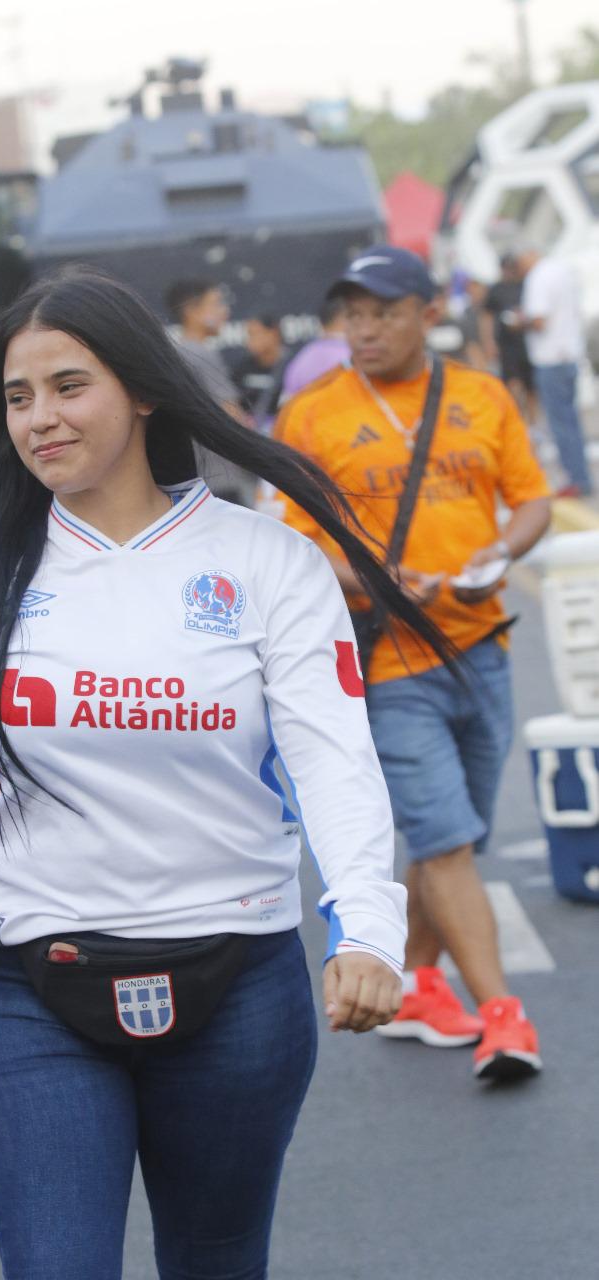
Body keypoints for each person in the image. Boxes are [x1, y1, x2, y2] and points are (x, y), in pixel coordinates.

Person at [0, 267, 454, 1280]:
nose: (39, 418)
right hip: (29, 986)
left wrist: (368, 928)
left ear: (139, 388)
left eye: (67, 385)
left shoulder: (268, 562)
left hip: (241, 991)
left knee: (217, 1263)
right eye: (17, 397)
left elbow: (333, 760)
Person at [276, 245, 551, 1084]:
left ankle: (420, 980)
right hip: (388, 662)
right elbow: (290, 541)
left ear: (426, 313)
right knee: (445, 841)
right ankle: (504, 1017)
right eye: (350, 315)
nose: (361, 330)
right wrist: (373, 582)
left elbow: (532, 501)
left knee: (453, 831)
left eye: (381, 313)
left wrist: (492, 556)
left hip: (479, 645)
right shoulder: (312, 414)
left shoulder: (479, 395)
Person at [166, 277, 255, 504]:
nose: (224, 311)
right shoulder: (201, 354)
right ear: (191, 311)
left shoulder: (178, 353)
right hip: (224, 478)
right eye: (215, 304)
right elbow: (231, 411)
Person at [515, 244, 592, 497]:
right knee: (571, 421)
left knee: (561, 423)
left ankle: (575, 480)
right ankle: (581, 477)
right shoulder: (561, 271)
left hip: (551, 358)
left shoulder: (539, 277)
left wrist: (518, 321)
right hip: (568, 354)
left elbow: (538, 319)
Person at [481, 254, 538, 424]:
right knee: (513, 384)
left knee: (531, 386)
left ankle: (533, 424)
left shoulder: (526, 285)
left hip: (526, 342)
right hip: (507, 344)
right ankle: (516, 419)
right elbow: (487, 317)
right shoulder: (496, 289)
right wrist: (489, 342)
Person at [229, 313, 292, 433]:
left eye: (254, 334)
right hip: (251, 437)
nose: (249, 341)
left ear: (273, 334)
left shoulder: (293, 366)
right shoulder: (242, 368)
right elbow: (231, 401)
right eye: (248, 335)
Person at [280, 297, 350, 401]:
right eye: (355, 315)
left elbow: (285, 406)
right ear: (342, 318)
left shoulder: (302, 357)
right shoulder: (354, 356)